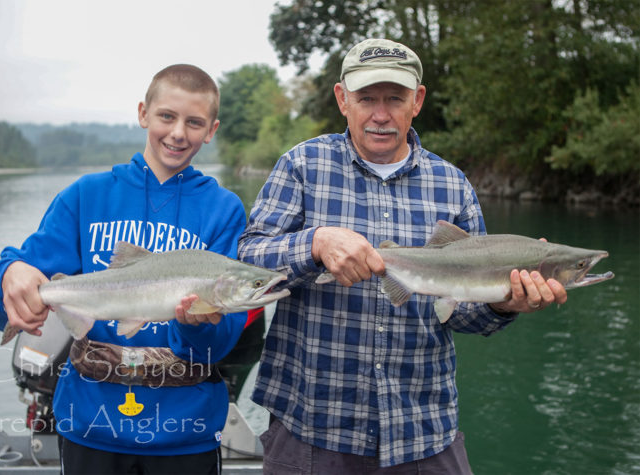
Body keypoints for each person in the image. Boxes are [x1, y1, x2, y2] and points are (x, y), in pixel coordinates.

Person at [238, 38, 568, 473]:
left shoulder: (453, 185)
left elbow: (464, 314)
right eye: (366, 99)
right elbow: (248, 261)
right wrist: (316, 243)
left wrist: (505, 302)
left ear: (418, 101)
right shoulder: (302, 165)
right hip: (312, 430)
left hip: (424, 430)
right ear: (342, 99)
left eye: (394, 98)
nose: (380, 114)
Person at [0, 64, 247, 474]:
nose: (178, 133)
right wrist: (6, 275)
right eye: (166, 117)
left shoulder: (224, 210)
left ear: (211, 130)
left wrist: (197, 323)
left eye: (194, 123)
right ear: (143, 114)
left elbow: (219, 344)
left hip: (185, 433)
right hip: (90, 427)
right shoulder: (85, 196)